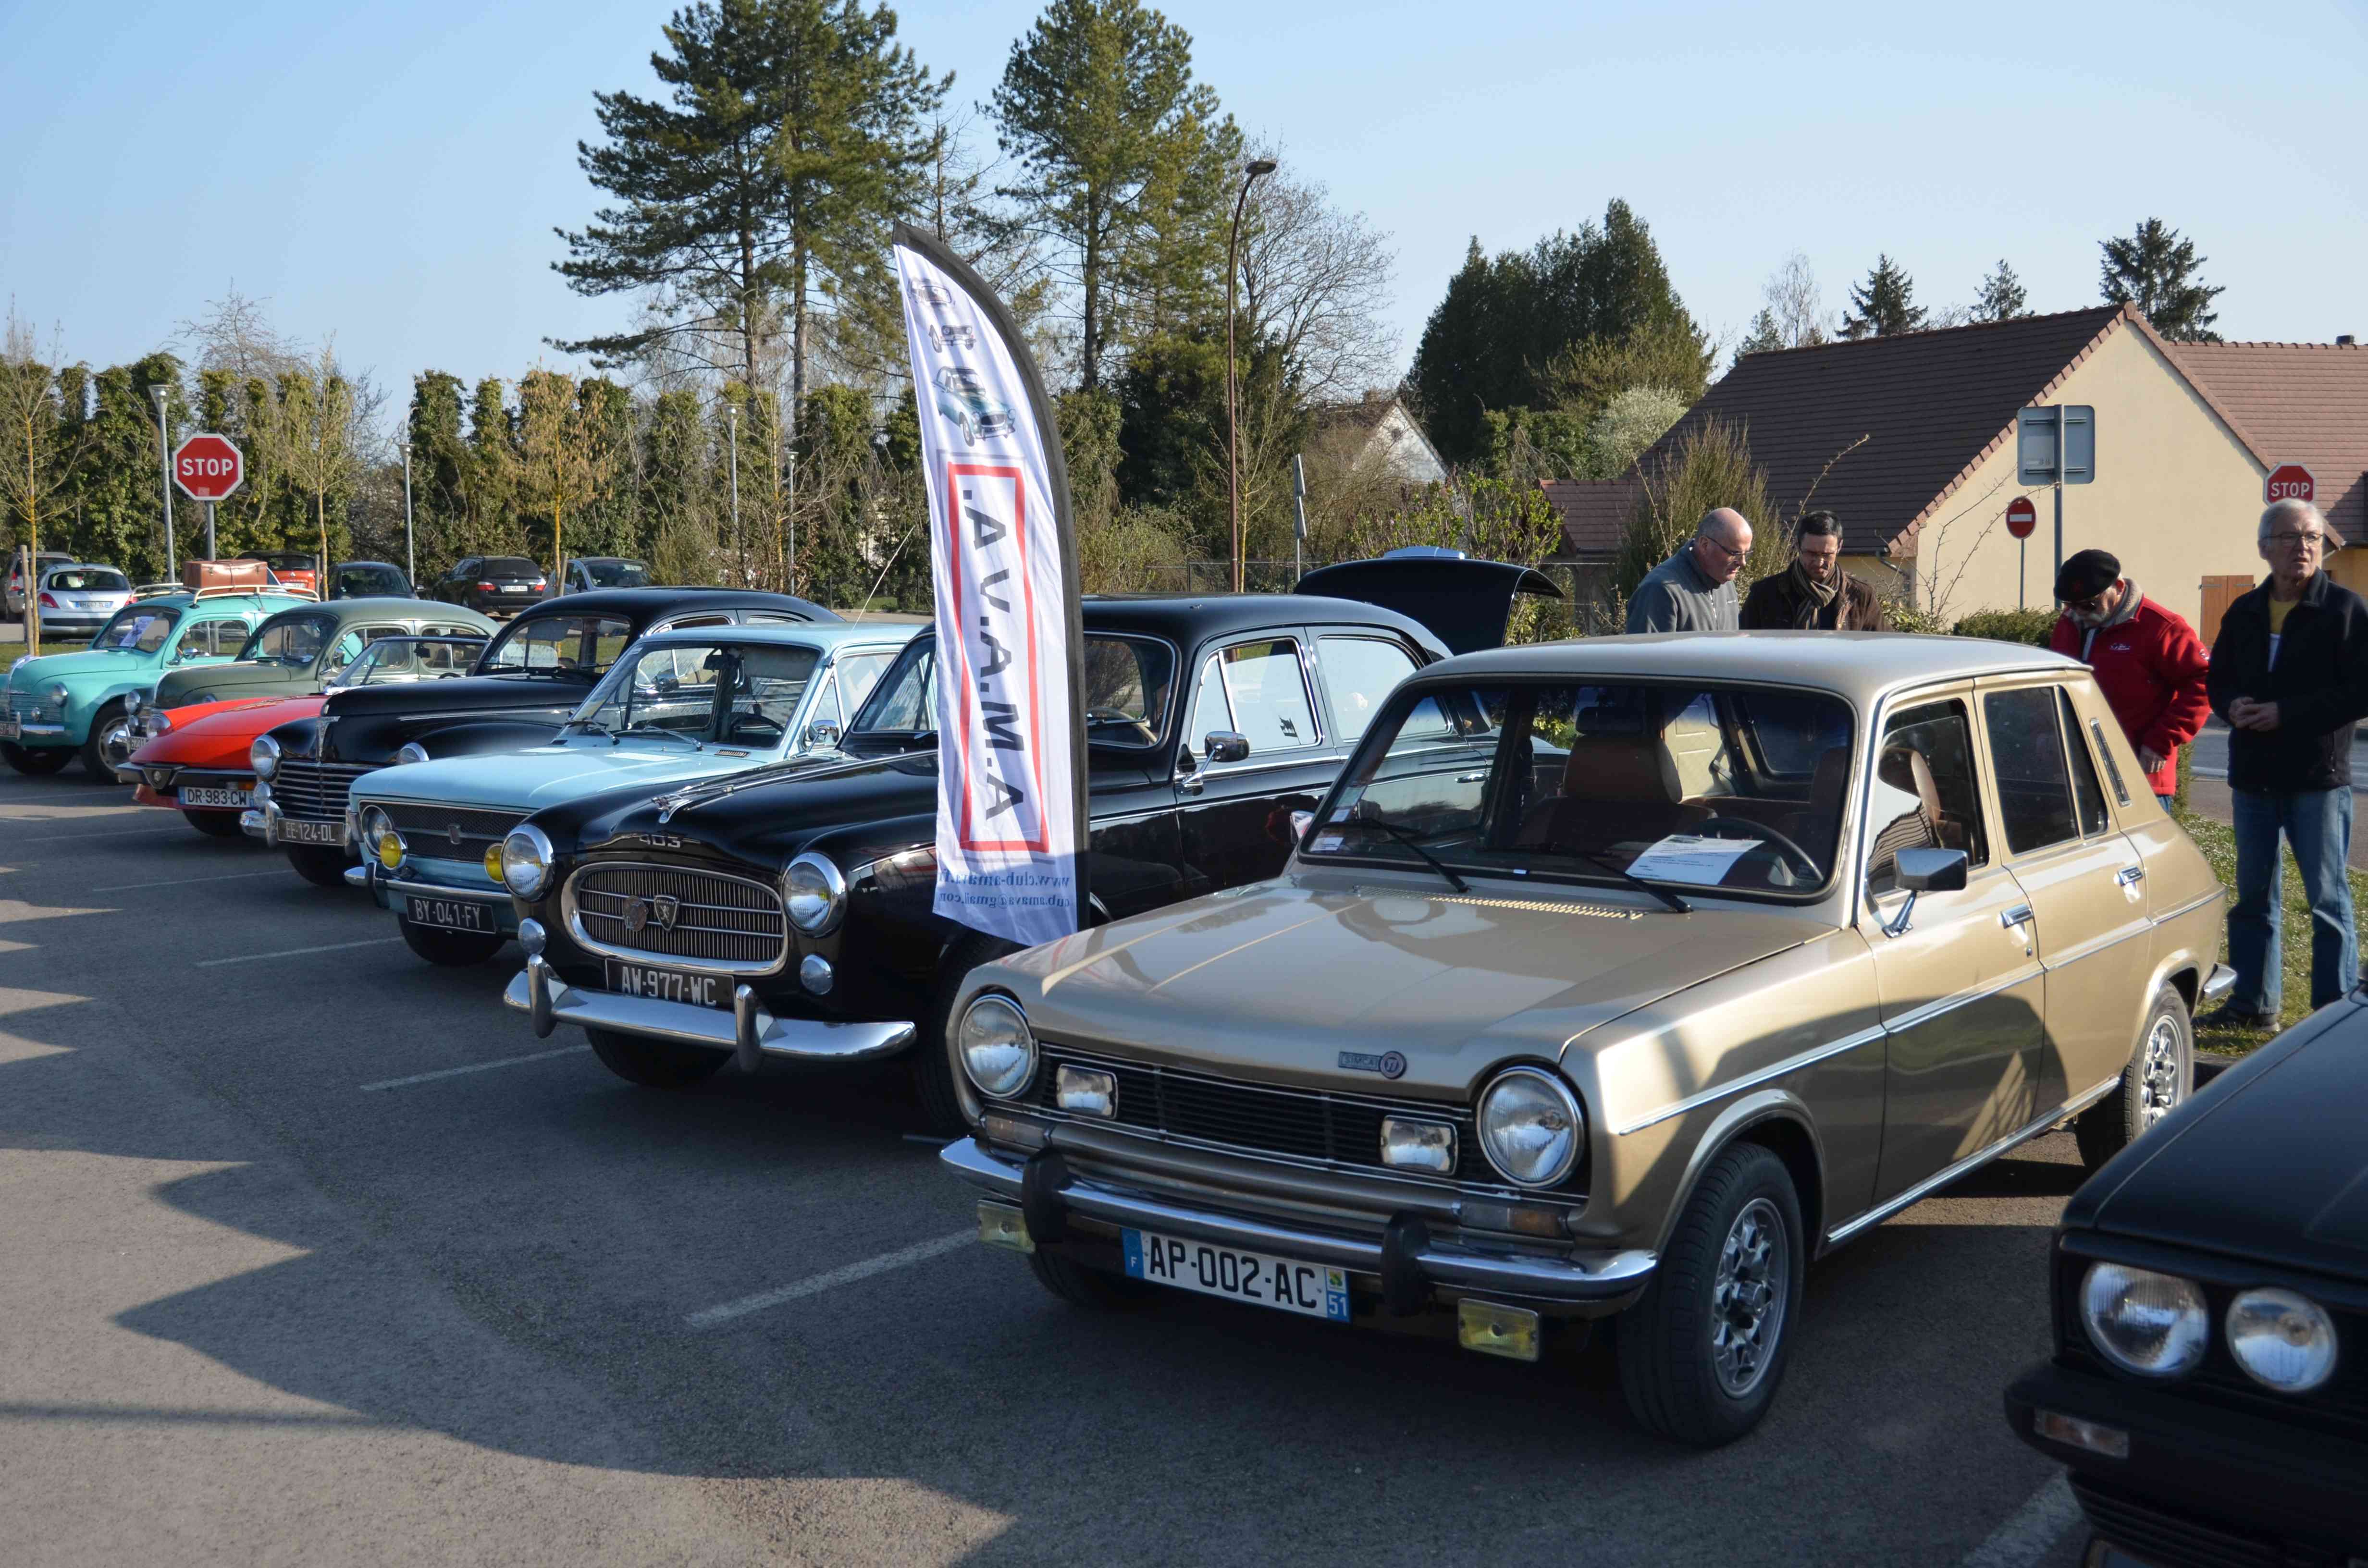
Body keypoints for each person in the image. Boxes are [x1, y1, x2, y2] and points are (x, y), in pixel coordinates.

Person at [2202, 499, 2368, 1029]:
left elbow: (2360, 691)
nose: (2303, 547)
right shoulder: (2244, 611)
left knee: (2327, 901)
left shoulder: (2344, 610)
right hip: (2253, 776)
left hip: (2316, 778)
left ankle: (2332, 1017)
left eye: (2312, 538)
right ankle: (2253, 1006)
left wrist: (2286, 713)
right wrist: (2232, 706)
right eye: (2290, 537)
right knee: (2253, 899)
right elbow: (2218, 679)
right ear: (2263, 548)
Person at [2046, 548, 2210, 809]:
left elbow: (2203, 682)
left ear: (2119, 588)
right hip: (2080, 772)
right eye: (2070, 605)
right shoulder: (2070, 624)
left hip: (2139, 775)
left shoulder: (2160, 627)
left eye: (2088, 605)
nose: (2078, 612)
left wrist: (2161, 741)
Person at [1739, 510, 1888, 630]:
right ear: (1798, 546)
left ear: (1839, 547)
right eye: (1811, 553)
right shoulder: (1764, 593)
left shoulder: (1860, 596)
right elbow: (1744, 646)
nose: (1819, 562)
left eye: (1827, 554)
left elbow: (1881, 646)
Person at [1626, 508, 1751, 633]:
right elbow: (1648, 646)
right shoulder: (1659, 590)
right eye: (1735, 553)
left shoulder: (1725, 581)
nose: (1743, 563)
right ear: (1705, 545)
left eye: (1746, 553)